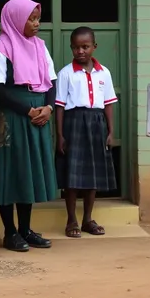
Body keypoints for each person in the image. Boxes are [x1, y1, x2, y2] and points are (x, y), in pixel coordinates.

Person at [0, 0, 58, 252]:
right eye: (31, 19)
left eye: (37, 18)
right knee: (12, 172)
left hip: (39, 115)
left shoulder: (40, 46)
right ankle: (9, 232)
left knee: (29, 172)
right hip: (14, 117)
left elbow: (51, 82)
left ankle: (26, 230)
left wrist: (49, 108)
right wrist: (28, 109)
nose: (36, 24)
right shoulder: (1, 47)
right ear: (16, 19)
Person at [55, 26, 117, 238]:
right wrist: (60, 135)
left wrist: (111, 131)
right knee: (72, 176)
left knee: (93, 175)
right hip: (74, 123)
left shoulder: (104, 72)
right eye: (76, 47)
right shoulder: (65, 73)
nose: (81, 51)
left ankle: (87, 218)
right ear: (71, 48)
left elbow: (108, 104)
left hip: (97, 123)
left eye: (85, 47)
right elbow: (60, 106)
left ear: (94, 47)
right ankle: (71, 219)